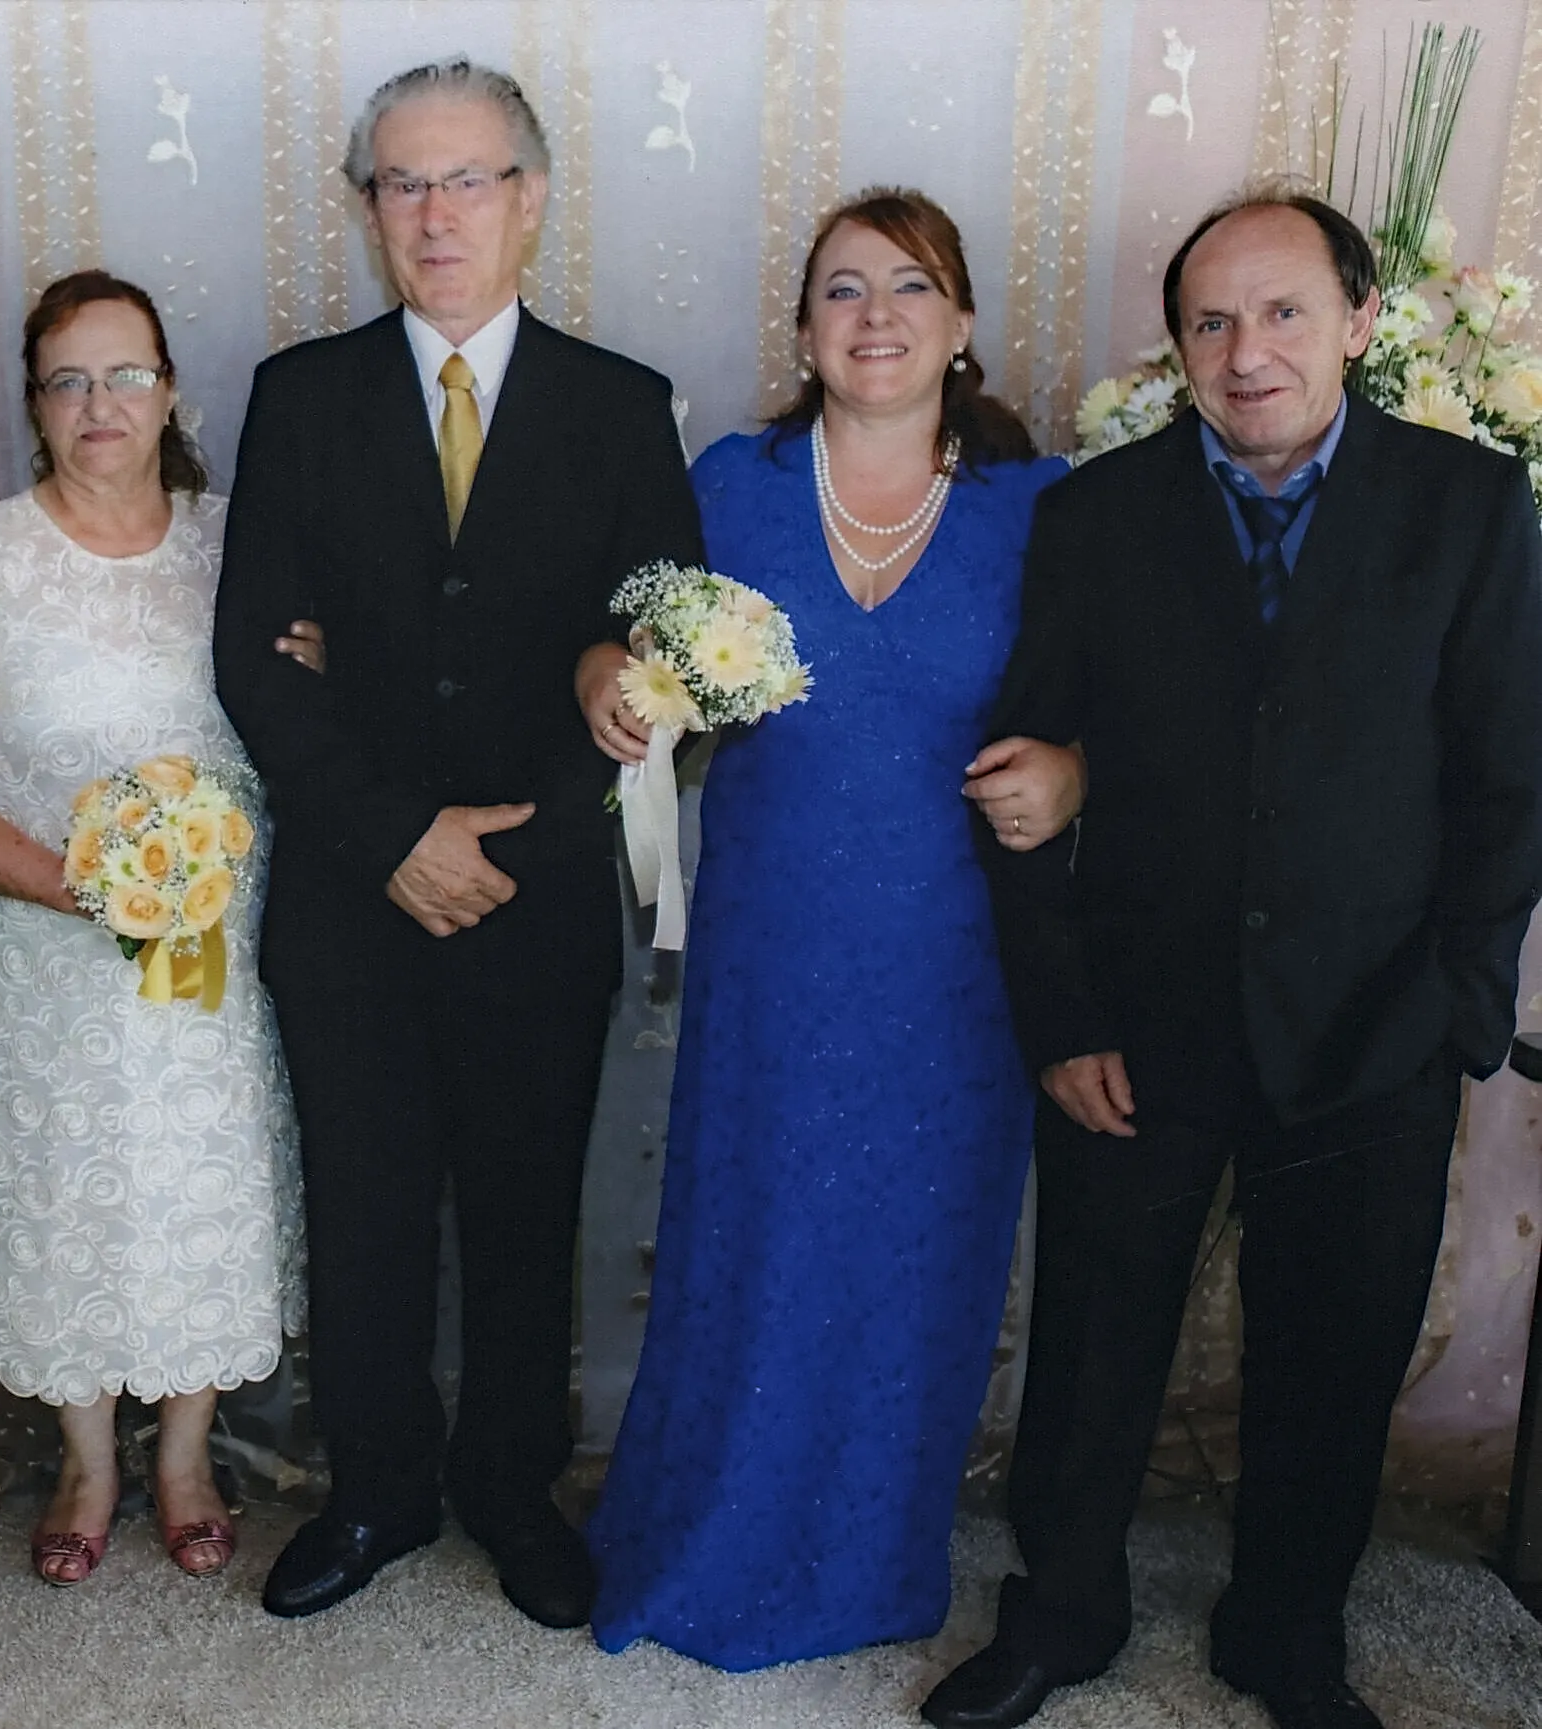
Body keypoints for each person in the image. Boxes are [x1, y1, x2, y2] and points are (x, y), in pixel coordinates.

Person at [924, 190, 1542, 1729]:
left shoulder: (1468, 505)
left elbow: (1509, 783)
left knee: (1332, 1372)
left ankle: (1287, 1638)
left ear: (1358, 322)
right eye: (1210, 320)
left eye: (1280, 314)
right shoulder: (1099, 514)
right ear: (1178, 344)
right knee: (1090, 1352)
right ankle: (1060, 1618)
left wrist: (1458, 1011)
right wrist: (1059, 1016)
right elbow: (1026, 779)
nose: (1245, 351)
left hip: (1375, 1027)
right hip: (1139, 1022)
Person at [212, 58, 704, 1630]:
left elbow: (660, 655)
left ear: (531, 200)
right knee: (362, 1209)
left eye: (467, 179)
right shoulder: (299, 394)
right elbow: (246, 660)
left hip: (539, 892)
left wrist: (509, 839)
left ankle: (509, 1485)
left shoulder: (623, 406)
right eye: (401, 184)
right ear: (367, 209)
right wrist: (391, 839)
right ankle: (375, 1492)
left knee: (519, 1209)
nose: (434, 215)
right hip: (353, 898)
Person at [578, 187, 1086, 1673]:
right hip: (778, 947)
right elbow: (609, 631)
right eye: (845, 290)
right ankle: (708, 1533)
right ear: (804, 328)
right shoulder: (730, 486)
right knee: (760, 1240)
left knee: (913, 1258)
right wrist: (611, 678)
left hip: (957, 961)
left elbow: (1126, 701)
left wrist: (1077, 774)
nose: (877, 316)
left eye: (911, 287)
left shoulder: (1039, 507)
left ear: (965, 324)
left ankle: (867, 1555)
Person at [0, 270, 304, 1586]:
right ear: (36, 407)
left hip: (216, 964)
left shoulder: (239, 545)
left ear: (170, 388)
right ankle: (89, 1455)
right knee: (66, 1192)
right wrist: (78, 888)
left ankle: (187, 1451)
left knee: (201, 1181)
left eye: (125, 373)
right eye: (68, 380)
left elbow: (314, 726)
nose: (100, 403)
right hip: (46, 949)